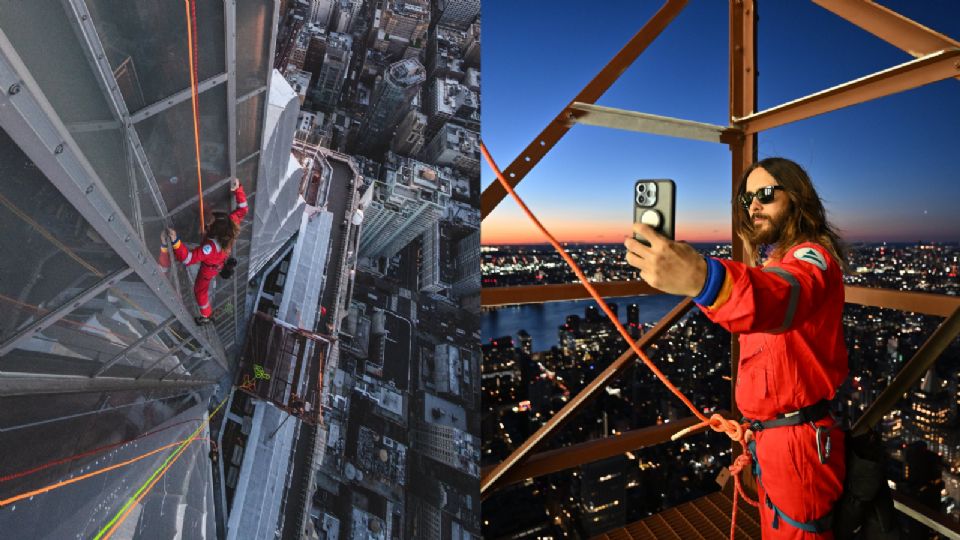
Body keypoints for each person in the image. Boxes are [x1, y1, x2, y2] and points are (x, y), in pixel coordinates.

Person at [624, 157, 848, 538]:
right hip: (776, 440)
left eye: (765, 194)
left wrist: (704, 279)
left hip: (798, 447)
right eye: (746, 200)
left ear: (796, 198)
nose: (754, 206)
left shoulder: (813, 258)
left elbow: (784, 295)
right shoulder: (776, 263)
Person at [165, 177, 248, 325]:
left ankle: (206, 316)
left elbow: (188, 259)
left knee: (200, 291)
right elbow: (243, 209)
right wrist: (238, 188)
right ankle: (225, 269)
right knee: (205, 282)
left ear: (215, 231)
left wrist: (175, 241)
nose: (209, 223)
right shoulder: (230, 224)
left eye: (211, 224)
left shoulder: (209, 248)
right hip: (218, 261)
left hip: (209, 269)